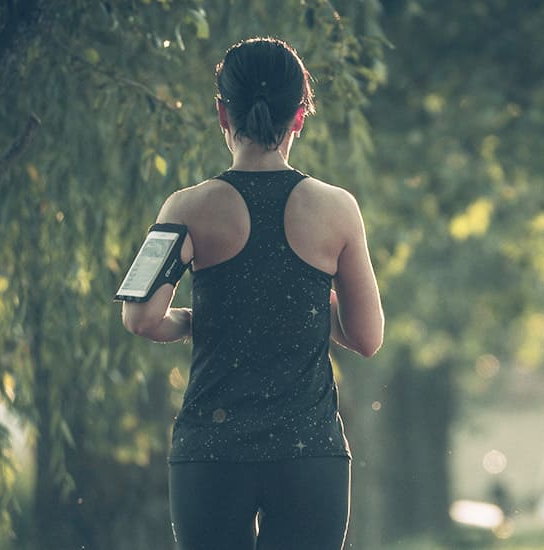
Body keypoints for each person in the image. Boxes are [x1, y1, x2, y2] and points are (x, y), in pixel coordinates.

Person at [120, 37, 384, 549]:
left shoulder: (185, 207)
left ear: (222, 112)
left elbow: (141, 318)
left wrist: (192, 319)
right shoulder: (337, 209)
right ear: (299, 117)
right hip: (309, 453)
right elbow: (367, 337)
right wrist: (307, 301)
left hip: (211, 452)